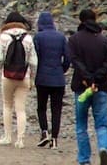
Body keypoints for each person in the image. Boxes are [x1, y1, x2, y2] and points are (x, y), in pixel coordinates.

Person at [69, 9, 107, 165]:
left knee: (81, 125)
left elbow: (75, 61)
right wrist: (97, 78)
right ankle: (104, 148)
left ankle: (84, 160)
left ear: (81, 20)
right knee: (101, 123)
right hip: (101, 87)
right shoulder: (105, 40)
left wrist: (88, 79)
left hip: (81, 87)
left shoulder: (74, 39)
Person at [0, 11, 35, 148]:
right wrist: (32, 77)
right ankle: (21, 140)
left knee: (7, 105)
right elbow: (34, 61)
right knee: (21, 109)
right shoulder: (28, 38)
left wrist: (2, 65)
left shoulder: (4, 36)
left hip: (7, 76)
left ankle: (7, 137)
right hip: (24, 76)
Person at [34, 11, 71, 148]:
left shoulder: (38, 37)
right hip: (58, 79)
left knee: (41, 107)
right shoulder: (61, 37)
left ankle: (44, 132)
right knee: (56, 109)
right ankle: (55, 139)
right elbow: (67, 58)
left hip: (42, 77)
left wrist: (35, 73)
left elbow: (35, 57)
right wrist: (62, 70)